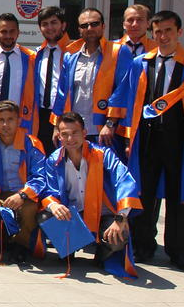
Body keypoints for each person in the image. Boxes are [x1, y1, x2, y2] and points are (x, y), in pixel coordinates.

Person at [121, 11, 184, 272]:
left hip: (179, 139)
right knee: (144, 192)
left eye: (168, 30)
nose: (162, 36)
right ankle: (143, 245)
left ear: (179, 32)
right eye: (158, 31)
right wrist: (130, 137)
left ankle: (178, 250)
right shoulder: (141, 63)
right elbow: (132, 102)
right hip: (147, 137)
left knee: (178, 193)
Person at [41, 112, 141, 276]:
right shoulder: (54, 160)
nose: (70, 139)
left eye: (75, 133)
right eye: (65, 134)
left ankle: (103, 254)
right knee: (46, 216)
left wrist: (121, 217)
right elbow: (48, 190)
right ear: (59, 136)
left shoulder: (103, 155)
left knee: (120, 232)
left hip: (103, 214)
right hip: (74, 215)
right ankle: (69, 250)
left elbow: (125, 180)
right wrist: (54, 206)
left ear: (84, 133)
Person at [0, 101, 50, 264]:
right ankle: (11, 240)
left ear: (19, 121)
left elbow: (40, 176)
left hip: (26, 195)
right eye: (1, 120)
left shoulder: (32, 143)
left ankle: (21, 245)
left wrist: (23, 195)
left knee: (28, 210)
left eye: (10, 119)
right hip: (1, 195)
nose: (6, 124)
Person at [52, 8, 134, 145]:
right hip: (75, 131)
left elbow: (123, 91)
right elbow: (62, 93)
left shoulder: (118, 52)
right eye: (84, 25)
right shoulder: (70, 56)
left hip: (103, 131)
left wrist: (110, 123)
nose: (89, 28)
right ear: (79, 30)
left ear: (103, 26)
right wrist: (57, 125)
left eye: (94, 24)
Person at [0, 13, 37, 137]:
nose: (8, 36)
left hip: (17, 119)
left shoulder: (30, 58)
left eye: (12, 31)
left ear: (18, 33)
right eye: (4, 32)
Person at [32, 6, 76, 145]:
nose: (49, 27)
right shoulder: (37, 54)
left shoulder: (75, 52)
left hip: (65, 115)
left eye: (54, 22)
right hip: (40, 115)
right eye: (45, 24)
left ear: (63, 25)